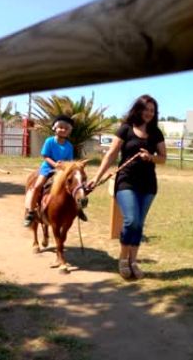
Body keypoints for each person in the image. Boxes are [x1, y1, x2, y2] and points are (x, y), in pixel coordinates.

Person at [87, 94, 166, 280]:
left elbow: (163, 158)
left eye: (152, 111)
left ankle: (133, 261)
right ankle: (123, 259)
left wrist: (151, 157)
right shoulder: (125, 129)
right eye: (146, 109)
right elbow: (111, 155)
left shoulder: (156, 133)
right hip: (126, 181)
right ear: (138, 109)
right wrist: (96, 177)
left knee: (138, 223)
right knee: (130, 220)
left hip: (148, 184)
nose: (149, 113)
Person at [23, 115, 75, 227]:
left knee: (75, 186)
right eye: (60, 127)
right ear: (54, 128)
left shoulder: (69, 146)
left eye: (66, 128)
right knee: (37, 186)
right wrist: (55, 164)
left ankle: (77, 209)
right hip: (48, 168)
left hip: (62, 171)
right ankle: (31, 212)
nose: (63, 130)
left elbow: (70, 161)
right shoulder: (49, 141)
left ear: (69, 131)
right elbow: (45, 156)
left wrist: (64, 165)